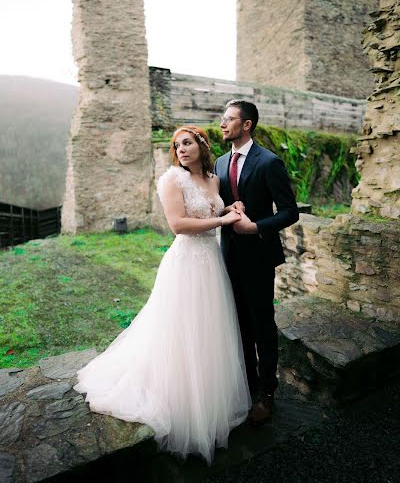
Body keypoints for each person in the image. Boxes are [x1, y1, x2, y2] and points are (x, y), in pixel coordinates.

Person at [73, 125, 251, 465]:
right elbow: (178, 224)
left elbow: (218, 209)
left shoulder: (214, 180)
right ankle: (179, 402)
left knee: (207, 330)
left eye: (187, 142)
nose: (181, 149)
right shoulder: (173, 179)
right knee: (179, 330)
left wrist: (232, 207)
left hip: (212, 263)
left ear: (201, 144)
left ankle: (209, 401)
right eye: (176, 145)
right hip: (186, 261)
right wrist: (224, 221)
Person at [214, 100, 299, 425]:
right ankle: (248, 386)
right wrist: (223, 212)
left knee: (263, 325)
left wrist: (256, 226)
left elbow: (289, 211)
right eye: (223, 119)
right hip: (226, 258)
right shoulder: (221, 163)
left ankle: (267, 392)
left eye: (229, 119)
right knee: (239, 325)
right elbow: (220, 206)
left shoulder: (269, 162)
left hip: (259, 257)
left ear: (246, 124)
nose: (223, 124)